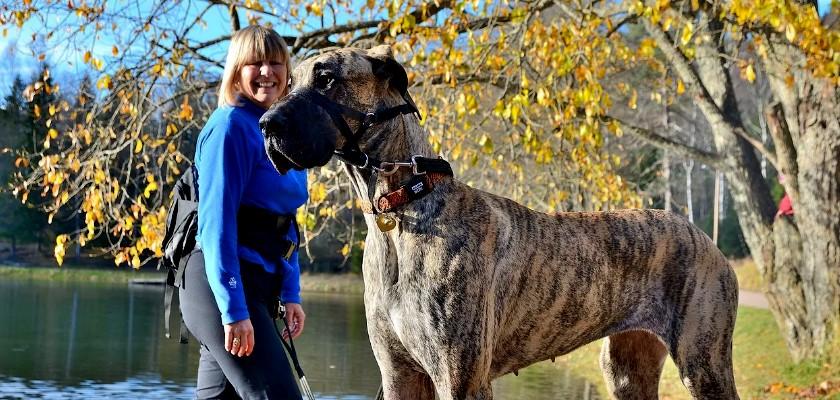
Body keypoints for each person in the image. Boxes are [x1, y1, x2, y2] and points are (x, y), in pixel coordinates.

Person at [179, 25, 307, 399]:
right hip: (219, 285)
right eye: (255, 63)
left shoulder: (281, 131)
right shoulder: (230, 126)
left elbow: (283, 224)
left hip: (259, 286)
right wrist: (233, 310)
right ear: (237, 70)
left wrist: (290, 291)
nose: (267, 72)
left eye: (276, 63)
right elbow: (216, 226)